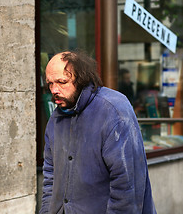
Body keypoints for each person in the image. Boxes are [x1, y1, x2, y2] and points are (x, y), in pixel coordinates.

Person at [40, 51, 156, 214]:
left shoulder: (113, 110)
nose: (54, 90)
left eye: (62, 82)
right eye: (50, 84)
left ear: (81, 79)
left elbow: (127, 187)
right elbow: (50, 178)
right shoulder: (56, 118)